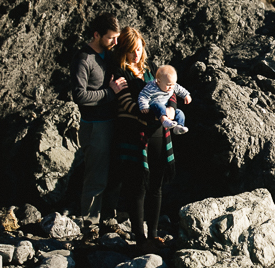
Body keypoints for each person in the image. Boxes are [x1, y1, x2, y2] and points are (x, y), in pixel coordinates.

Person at [110, 27, 176, 245]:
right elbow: (128, 104)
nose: (135, 55)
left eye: (138, 49)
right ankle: (139, 236)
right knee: (137, 185)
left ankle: (153, 233)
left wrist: (172, 110)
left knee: (156, 185)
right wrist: (155, 112)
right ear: (123, 52)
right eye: (130, 51)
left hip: (159, 134)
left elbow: (171, 90)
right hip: (135, 136)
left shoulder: (152, 70)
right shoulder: (120, 73)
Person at [70, 12, 126, 225]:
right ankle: (90, 225)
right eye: (111, 37)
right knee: (96, 177)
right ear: (96, 34)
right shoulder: (83, 59)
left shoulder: (109, 54)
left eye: (116, 37)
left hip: (113, 122)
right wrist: (110, 93)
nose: (115, 42)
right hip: (95, 126)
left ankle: (108, 221)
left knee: (113, 174)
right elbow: (80, 96)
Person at [137, 65, 191, 134]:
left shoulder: (172, 85)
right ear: (158, 82)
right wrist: (144, 106)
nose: (171, 87)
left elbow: (180, 89)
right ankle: (164, 120)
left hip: (166, 107)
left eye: (173, 84)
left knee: (180, 113)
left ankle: (179, 127)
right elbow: (143, 95)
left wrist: (186, 95)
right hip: (155, 107)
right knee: (159, 105)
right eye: (168, 85)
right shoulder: (151, 87)